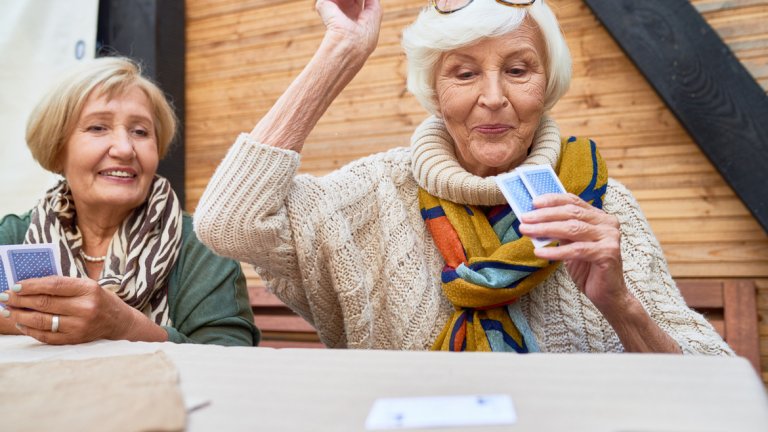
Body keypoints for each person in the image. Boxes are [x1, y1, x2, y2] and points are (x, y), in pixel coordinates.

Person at [194, 0, 731, 354]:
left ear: (547, 85)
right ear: (435, 91)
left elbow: (709, 382)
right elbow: (228, 222)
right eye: (464, 72)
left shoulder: (602, 207)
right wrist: (342, 52)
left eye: (518, 70)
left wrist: (620, 304)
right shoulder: (376, 192)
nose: (493, 97)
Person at [0, 57, 259, 346]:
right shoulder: (15, 237)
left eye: (140, 132)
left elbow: (232, 355)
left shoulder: (201, 245)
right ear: (57, 148)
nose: (125, 149)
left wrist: (124, 326)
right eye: (98, 127)